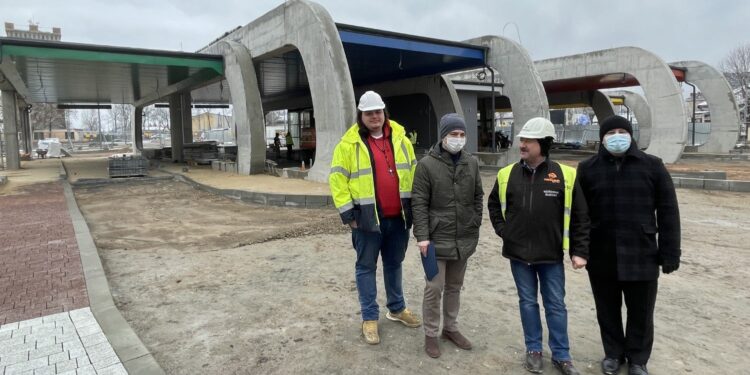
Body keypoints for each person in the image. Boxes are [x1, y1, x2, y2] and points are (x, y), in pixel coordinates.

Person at [576, 116, 681, 375]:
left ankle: (638, 358)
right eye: (611, 132)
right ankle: (613, 353)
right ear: (602, 137)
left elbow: (668, 212)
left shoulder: (652, 166)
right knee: (607, 309)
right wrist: (580, 250)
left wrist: (670, 252)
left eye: (622, 131)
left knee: (641, 311)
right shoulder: (587, 168)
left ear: (631, 135)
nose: (617, 136)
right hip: (602, 253)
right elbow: (580, 215)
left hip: (642, 252)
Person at [488, 117, 589, 375]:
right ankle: (533, 349)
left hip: (550, 254)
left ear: (543, 144)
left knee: (555, 304)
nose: (522, 145)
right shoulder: (506, 174)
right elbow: (493, 206)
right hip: (518, 255)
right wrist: (504, 231)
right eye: (522, 140)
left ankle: (562, 356)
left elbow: (580, 216)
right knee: (528, 302)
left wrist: (580, 251)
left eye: (528, 141)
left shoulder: (565, 176)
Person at [329, 90, 421, 345]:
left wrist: (417, 208)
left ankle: (396, 308)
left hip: (398, 218)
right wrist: (349, 215)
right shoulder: (348, 144)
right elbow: (337, 180)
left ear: (384, 113)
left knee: (394, 264)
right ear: (361, 115)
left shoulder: (401, 139)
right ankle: (370, 317)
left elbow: (413, 173)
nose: (374, 117)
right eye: (369, 113)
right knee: (366, 267)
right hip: (367, 221)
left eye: (378, 112)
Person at [411, 113, 483, 358]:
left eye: (462, 135)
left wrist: (475, 223)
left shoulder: (471, 163)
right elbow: (419, 203)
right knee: (434, 286)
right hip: (434, 238)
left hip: (463, 236)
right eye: (454, 134)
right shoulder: (426, 165)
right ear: (443, 136)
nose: (458, 139)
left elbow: (478, 196)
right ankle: (431, 333)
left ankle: (450, 328)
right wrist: (422, 236)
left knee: (454, 286)